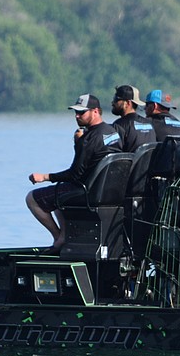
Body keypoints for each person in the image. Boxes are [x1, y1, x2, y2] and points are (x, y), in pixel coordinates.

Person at [27, 93, 124, 251]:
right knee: (58, 194)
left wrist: (45, 177)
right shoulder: (112, 132)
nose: (77, 116)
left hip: (87, 192)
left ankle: (59, 238)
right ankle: (65, 236)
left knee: (32, 198)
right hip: (108, 191)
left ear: (96, 111)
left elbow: (74, 175)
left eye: (82, 112)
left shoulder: (89, 139)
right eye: (75, 112)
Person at [109, 84, 155, 152]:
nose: (113, 103)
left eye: (116, 99)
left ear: (128, 103)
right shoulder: (149, 124)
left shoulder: (118, 125)